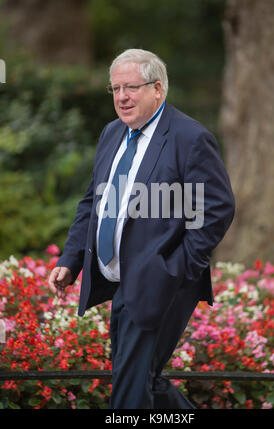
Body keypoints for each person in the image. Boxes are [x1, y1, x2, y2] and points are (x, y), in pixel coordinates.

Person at [48, 48, 235, 409]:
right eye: (115, 88)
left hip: (162, 280)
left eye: (131, 87)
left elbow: (215, 208)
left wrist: (178, 266)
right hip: (120, 280)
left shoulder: (189, 138)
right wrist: (71, 259)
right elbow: (93, 202)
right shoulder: (112, 133)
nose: (122, 97)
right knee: (142, 380)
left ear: (158, 89)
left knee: (130, 394)